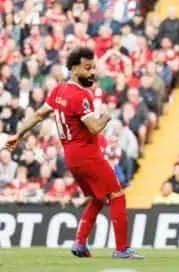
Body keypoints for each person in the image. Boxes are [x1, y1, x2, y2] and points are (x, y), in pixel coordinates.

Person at [5, 47, 143, 259]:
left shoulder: (58, 90)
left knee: (98, 199)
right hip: (87, 154)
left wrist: (18, 134)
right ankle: (122, 249)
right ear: (74, 68)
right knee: (117, 195)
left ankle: (80, 243)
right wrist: (106, 116)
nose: (92, 73)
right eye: (88, 68)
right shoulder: (81, 96)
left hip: (71, 157)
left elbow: (39, 115)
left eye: (93, 68)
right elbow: (95, 128)